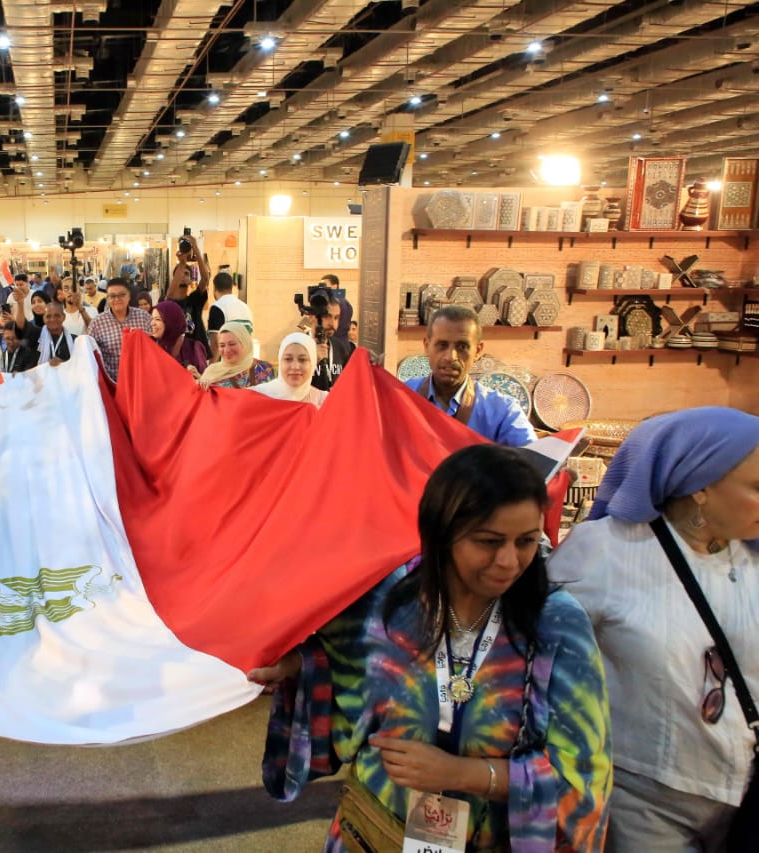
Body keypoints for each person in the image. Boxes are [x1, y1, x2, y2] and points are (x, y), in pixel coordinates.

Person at [249, 444, 612, 852]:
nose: (509, 561)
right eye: (489, 541)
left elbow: (583, 773)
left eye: (526, 541)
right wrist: (297, 664)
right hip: (373, 833)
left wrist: (463, 775)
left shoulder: (556, 626)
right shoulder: (387, 603)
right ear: (441, 533)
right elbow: (343, 669)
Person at [548, 407, 759, 851]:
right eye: (757, 487)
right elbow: (538, 658)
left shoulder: (752, 559)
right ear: (701, 485)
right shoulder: (606, 552)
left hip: (746, 795)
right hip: (644, 803)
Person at [405, 306, 533, 447]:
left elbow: (534, 456)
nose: (450, 357)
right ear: (427, 346)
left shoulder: (502, 411)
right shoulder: (403, 397)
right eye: (442, 345)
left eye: (462, 347)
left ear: (477, 351)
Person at [88, 278, 154, 381]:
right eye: (112, 296)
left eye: (122, 295)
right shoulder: (97, 323)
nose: (117, 299)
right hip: (112, 383)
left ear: (129, 296)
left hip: (141, 380)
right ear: (107, 298)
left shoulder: (144, 317)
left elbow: (155, 346)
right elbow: (90, 354)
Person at [250, 333, 327, 407]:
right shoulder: (257, 397)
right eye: (288, 359)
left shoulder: (324, 402)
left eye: (302, 360)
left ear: (313, 363)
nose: (295, 366)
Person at [197, 321, 274, 389]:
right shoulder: (212, 372)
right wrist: (201, 385)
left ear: (245, 343)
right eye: (222, 345)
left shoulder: (266, 368)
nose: (227, 350)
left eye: (232, 344)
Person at [167, 233, 210, 351]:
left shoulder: (194, 299)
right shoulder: (170, 302)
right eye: (180, 274)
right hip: (177, 351)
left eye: (186, 274)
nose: (183, 276)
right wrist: (182, 263)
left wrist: (195, 248)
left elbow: (205, 279)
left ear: (191, 278)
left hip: (196, 350)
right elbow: (170, 294)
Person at [151, 300, 208, 375]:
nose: (152, 323)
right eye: (152, 319)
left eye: (158, 319)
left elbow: (206, 379)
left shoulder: (194, 349)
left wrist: (197, 375)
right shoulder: (151, 348)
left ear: (171, 321)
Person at [206, 272, 253, 360]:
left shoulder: (218, 307)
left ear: (214, 288)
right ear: (231, 288)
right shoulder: (246, 307)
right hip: (245, 361)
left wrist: (211, 366)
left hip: (227, 363)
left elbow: (215, 343)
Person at [36, 302, 77, 366]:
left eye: (57, 316)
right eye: (48, 316)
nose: (52, 319)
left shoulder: (75, 340)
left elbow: (79, 365)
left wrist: (63, 364)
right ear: (43, 318)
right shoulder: (37, 340)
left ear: (64, 317)